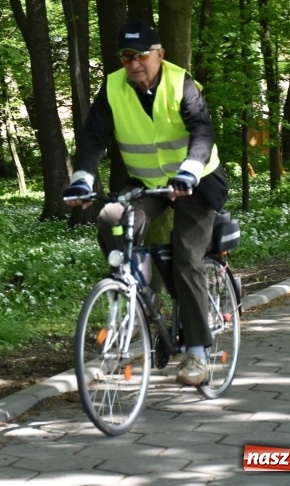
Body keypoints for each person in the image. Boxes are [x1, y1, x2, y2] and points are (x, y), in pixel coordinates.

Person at [63, 20, 228, 386]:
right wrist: (81, 181)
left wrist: (188, 172)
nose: (134, 64)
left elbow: (201, 131)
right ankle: (139, 293)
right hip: (147, 183)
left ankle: (198, 354)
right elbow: (93, 138)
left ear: (159, 55)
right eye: (126, 57)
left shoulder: (181, 83)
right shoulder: (113, 89)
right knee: (111, 218)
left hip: (196, 182)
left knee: (187, 256)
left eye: (141, 56)